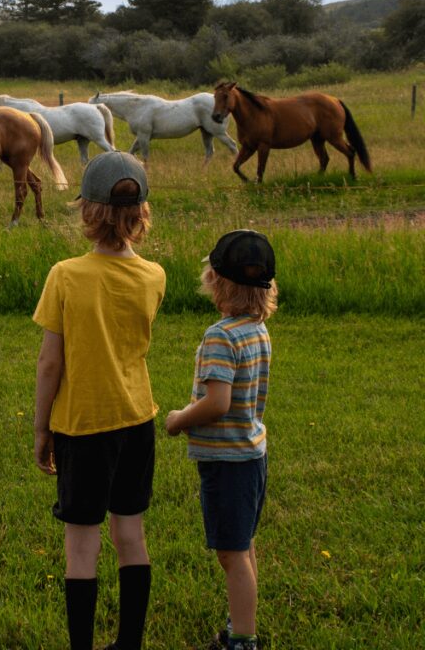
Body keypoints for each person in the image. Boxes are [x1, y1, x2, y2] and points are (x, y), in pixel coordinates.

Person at [33, 151, 166, 650]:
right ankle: (130, 644)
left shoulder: (66, 275)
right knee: (130, 537)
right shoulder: (155, 276)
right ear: (140, 213)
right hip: (137, 420)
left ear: (88, 211)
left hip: (83, 426)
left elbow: (50, 364)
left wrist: (41, 429)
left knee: (81, 546)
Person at [165, 230, 278, 650]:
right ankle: (241, 624)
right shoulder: (257, 330)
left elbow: (217, 402)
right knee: (243, 544)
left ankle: (242, 640)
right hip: (251, 455)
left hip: (228, 461)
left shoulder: (221, 335)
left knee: (230, 554)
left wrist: (179, 419)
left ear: (216, 280)